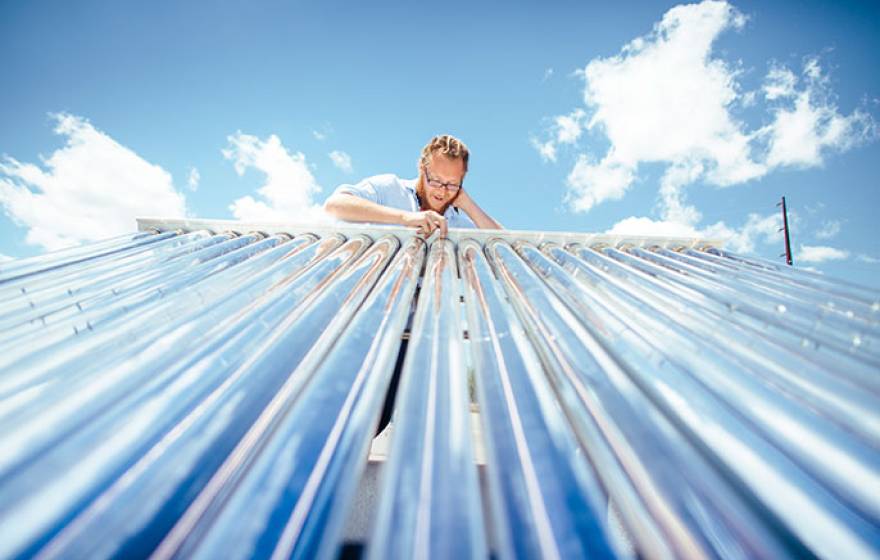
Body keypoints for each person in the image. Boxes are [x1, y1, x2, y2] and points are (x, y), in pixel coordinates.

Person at [323, 134, 502, 237]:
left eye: (452, 183)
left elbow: (505, 248)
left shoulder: (457, 224)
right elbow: (335, 205)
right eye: (436, 180)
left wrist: (469, 205)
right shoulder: (389, 188)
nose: (442, 190)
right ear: (421, 169)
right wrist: (405, 218)